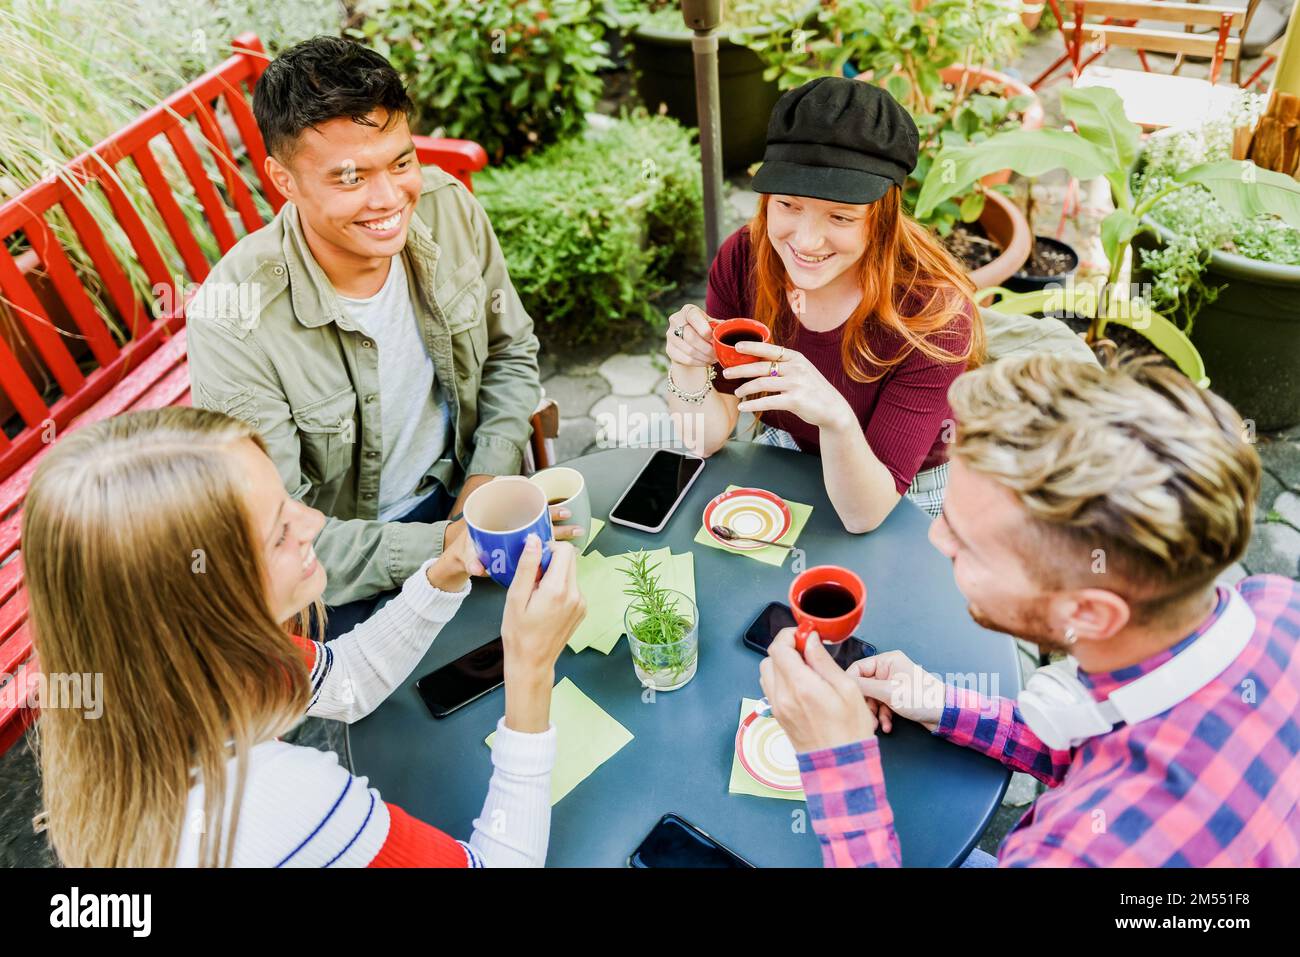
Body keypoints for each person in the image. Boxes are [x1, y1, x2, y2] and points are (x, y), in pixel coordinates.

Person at [761, 353, 1300, 867]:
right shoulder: (1273, 602)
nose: (935, 537)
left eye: (968, 543)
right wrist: (937, 703)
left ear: (1089, 614)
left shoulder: (1078, 851)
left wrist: (839, 760)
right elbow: (1096, 727)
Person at [23, 407, 585, 867]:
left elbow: (344, 683)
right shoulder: (280, 805)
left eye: (289, 500)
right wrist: (530, 671)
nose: (312, 523)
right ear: (203, 595)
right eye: (277, 533)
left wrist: (446, 569)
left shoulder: (159, 671)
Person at [185, 36, 576, 623]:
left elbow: (510, 351)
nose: (391, 198)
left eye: (401, 162)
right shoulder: (233, 320)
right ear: (282, 180)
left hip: (466, 498)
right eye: (350, 178)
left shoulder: (447, 206)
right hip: (338, 576)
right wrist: (444, 546)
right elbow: (272, 538)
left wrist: (484, 486)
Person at [664, 77, 984, 530]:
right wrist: (685, 363)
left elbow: (863, 515)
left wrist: (834, 416)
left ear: (882, 219)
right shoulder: (744, 256)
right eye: (788, 205)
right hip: (788, 446)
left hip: (900, 484)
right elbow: (706, 439)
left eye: (840, 216)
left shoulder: (934, 315)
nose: (806, 241)